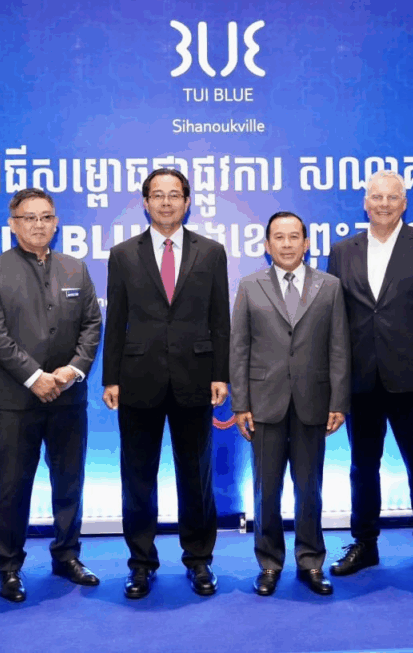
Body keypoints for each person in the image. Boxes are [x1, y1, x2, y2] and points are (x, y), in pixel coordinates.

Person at [326, 170, 413, 589]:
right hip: (361, 380)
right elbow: (335, 320)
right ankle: (365, 543)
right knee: (362, 467)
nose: (383, 204)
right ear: (365, 202)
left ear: (404, 203)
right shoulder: (342, 251)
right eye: (376, 197)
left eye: (392, 197)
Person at [102, 168, 230, 599]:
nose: (166, 202)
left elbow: (220, 319)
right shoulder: (123, 254)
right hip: (138, 378)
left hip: (196, 377)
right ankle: (141, 564)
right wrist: (110, 377)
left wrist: (220, 373)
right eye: (157, 195)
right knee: (138, 477)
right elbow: (116, 320)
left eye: (174, 195)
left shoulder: (211, 252)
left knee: (197, 477)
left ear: (187, 202)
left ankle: (199, 560)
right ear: (145, 203)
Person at [0, 188, 102, 602]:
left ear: (56, 222)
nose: (39, 224)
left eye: (46, 217)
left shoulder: (75, 268)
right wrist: (34, 377)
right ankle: (9, 565)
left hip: (67, 396)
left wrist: (73, 370)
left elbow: (92, 325)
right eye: (29, 218)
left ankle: (67, 556)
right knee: (12, 486)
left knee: (69, 481)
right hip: (14, 399)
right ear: (13, 224)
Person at [230, 211, 350, 597]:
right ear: (267, 245)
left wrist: (339, 400)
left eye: (294, 236)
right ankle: (269, 563)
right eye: (278, 237)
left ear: (306, 243)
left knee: (309, 488)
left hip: (313, 402)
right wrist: (240, 404)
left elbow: (339, 346)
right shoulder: (250, 286)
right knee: (266, 490)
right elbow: (239, 349)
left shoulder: (329, 286)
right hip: (264, 404)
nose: (286, 244)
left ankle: (311, 561)